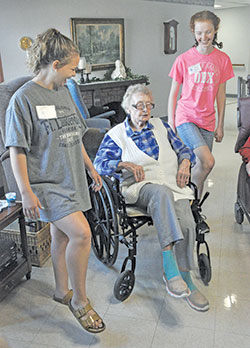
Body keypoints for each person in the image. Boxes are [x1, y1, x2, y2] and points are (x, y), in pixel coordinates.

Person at [5, 28, 105, 334]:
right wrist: (25, 191)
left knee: (62, 237)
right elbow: (16, 148)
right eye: (72, 68)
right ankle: (80, 301)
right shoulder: (22, 100)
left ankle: (62, 291)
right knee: (82, 235)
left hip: (72, 177)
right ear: (56, 64)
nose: (74, 74)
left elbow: (75, 134)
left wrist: (90, 168)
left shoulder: (63, 91)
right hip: (46, 183)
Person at [94, 84, 209, 312]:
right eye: (139, 105)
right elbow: (99, 164)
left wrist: (185, 162)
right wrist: (122, 163)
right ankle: (170, 268)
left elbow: (183, 149)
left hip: (172, 185)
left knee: (187, 222)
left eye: (149, 105)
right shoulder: (116, 135)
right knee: (161, 193)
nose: (145, 110)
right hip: (140, 189)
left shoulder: (161, 125)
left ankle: (186, 279)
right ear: (128, 107)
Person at [168, 10, 234, 199]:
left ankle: (192, 209)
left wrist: (220, 125)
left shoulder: (223, 59)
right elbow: (174, 94)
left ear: (215, 31)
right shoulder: (183, 59)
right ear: (193, 32)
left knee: (201, 166)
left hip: (208, 120)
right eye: (199, 32)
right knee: (208, 161)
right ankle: (190, 201)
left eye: (208, 32)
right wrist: (172, 123)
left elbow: (221, 94)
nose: (203, 37)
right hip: (186, 117)